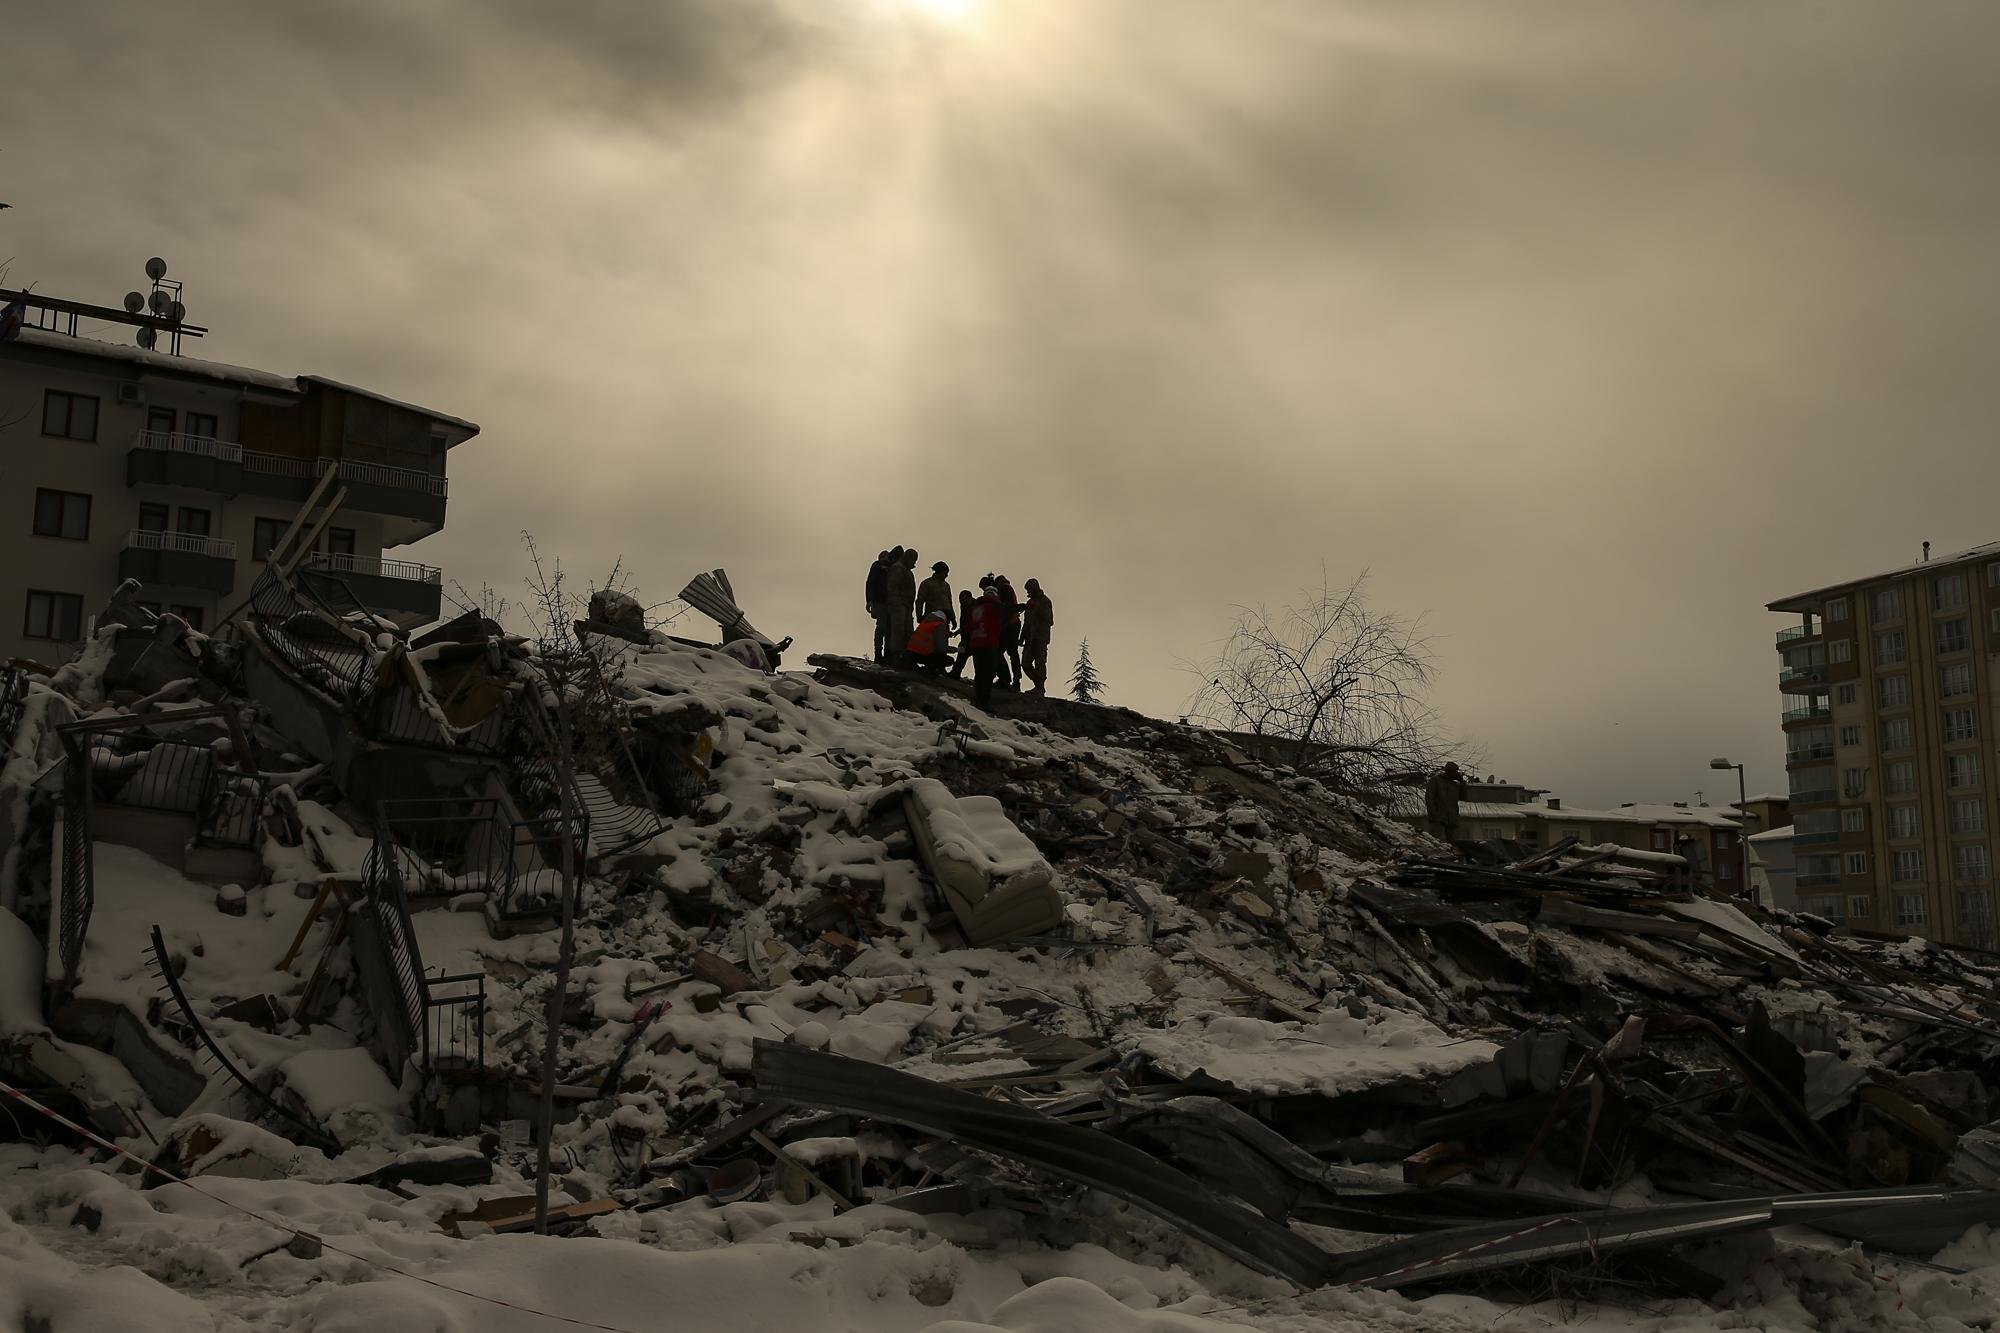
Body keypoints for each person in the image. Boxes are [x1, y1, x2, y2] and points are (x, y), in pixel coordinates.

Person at [963, 581, 1006, 708]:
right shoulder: (995, 607)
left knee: (979, 672)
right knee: (988, 673)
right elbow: (1005, 615)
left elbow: (968, 626)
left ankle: (979, 698)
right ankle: (985, 701)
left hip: (976, 643)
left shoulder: (975, 608)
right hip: (989, 643)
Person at [1019, 578, 1054, 695]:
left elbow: (1050, 620)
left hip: (1040, 638)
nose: (1028, 592)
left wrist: (1037, 609)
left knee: (1040, 663)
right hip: (1029, 638)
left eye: (1029, 589)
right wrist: (1022, 637)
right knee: (1025, 663)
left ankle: (1040, 687)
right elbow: (1026, 621)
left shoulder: (1045, 601)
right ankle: (1038, 684)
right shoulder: (1030, 603)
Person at [885, 548, 918, 668]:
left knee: (908, 632)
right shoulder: (898, 568)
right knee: (898, 631)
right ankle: (897, 656)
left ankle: (906, 656)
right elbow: (892, 587)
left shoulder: (907, 570)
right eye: (913, 559)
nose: (914, 563)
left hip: (907, 606)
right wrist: (896, 604)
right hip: (899, 605)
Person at [1424, 761, 1466, 844]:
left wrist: (1462, 782)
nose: (1456, 773)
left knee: (1453, 844)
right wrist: (1433, 813)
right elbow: (1429, 798)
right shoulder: (1436, 780)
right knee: (1436, 842)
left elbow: (1464, 797)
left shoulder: (1455, 784)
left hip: (1452, 819)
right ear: (1449, 771)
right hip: (1438, 817)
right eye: (1455, 771)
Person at [993, 574, 1023, 690]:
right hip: (1013, 622)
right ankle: (1014, 679)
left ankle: (1007, 678)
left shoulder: (1004, 589)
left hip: (1009, 624)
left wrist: (1002, 623)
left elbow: (1007, 607)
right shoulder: (1008, 588)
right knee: (1012, 652)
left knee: (1000, 650)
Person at [905, 609, 953, 676]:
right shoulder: (940, 625)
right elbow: (941, 648)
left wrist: (946, 634)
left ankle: (913, 665)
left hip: (910, 652)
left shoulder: (926, 621)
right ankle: (929, 670)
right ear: (946, 618)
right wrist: (956, 649)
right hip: (921, 654)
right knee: (948, 660)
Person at [865, 549, 893, 663]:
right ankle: (878, 653)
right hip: (880, 601)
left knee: (889, 629)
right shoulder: (877, 566)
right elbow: (870, 582)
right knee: (881, 627)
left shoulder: (893, 567)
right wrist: (869, 600)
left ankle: (887, 653)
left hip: (890, 602)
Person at [917, 561, 955, 629]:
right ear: (939, 571)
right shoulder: (927, 583)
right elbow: (920, 601)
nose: (947, 575)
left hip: (945, 620)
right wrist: (919, 616)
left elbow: (949, 603)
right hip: (931, 618)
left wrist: (953, 619)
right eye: (945, 573)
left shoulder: (946, 586)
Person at [949, 589, 976, 679]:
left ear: (969, 598)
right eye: (960, 600)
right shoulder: (965, 606)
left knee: (965, 655)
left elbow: (971, 624)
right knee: (962, 655)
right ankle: (955, 673)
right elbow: (965, 623)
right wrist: (959, 631)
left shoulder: (975, 608)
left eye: (963, 600)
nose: (961, 602)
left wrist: (965, 638)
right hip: (966, 636)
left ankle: (955, 673)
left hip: (973, 637)